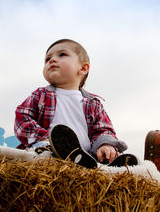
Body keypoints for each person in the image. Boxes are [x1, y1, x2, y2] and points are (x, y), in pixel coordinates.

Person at [14, 39, 137, 168]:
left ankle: (113, 163)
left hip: (86, 156)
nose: (52, 60)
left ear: (83, 68)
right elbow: (22, 117)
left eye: (62, 55)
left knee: (106, 151)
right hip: (47, 147)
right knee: (42, 152)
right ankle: (59, 153)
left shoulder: (93, 104)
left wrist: (104, 145)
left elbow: (103, 129)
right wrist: (47, 138)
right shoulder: (41, 95)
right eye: (47, 59)